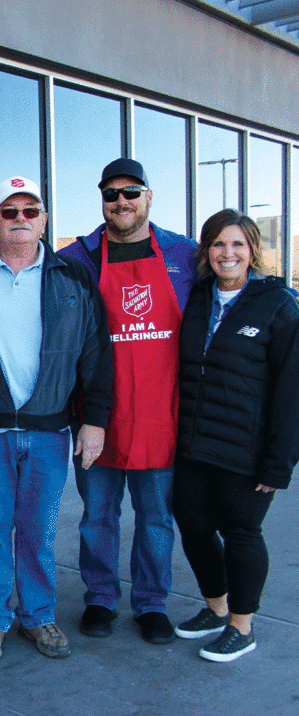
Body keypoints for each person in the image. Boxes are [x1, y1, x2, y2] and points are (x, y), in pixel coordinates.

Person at [0, 176, 112, 662]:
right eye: (9, 211)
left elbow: (95, 354)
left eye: (30, 211)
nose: (20, 219)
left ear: (43, 220)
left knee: (39, 530)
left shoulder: (72, 277)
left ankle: (39, 616)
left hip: (48, 429)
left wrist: (95, 420)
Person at [58, 158, 198, 645]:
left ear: (148, 197)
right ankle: (99, 597)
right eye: (112, 194)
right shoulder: (79, 258)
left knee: (156, 518)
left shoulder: (184, 254)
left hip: (162, 412)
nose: (122, 202)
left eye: (131, 192)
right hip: (96, 415)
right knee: (98, 515)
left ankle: (151, 603)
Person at [172, 209, 299, 662]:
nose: (228, 253)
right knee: (193, 525)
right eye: (219, 244)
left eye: (237, 244)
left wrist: (278, 462)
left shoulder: (278, 304)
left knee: (241, 532)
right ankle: (215, 607)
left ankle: (242, 627)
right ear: (206, 251)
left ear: (252, 252)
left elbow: (292, 389)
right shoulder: (199, 297)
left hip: (247, 447)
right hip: (194, 441)